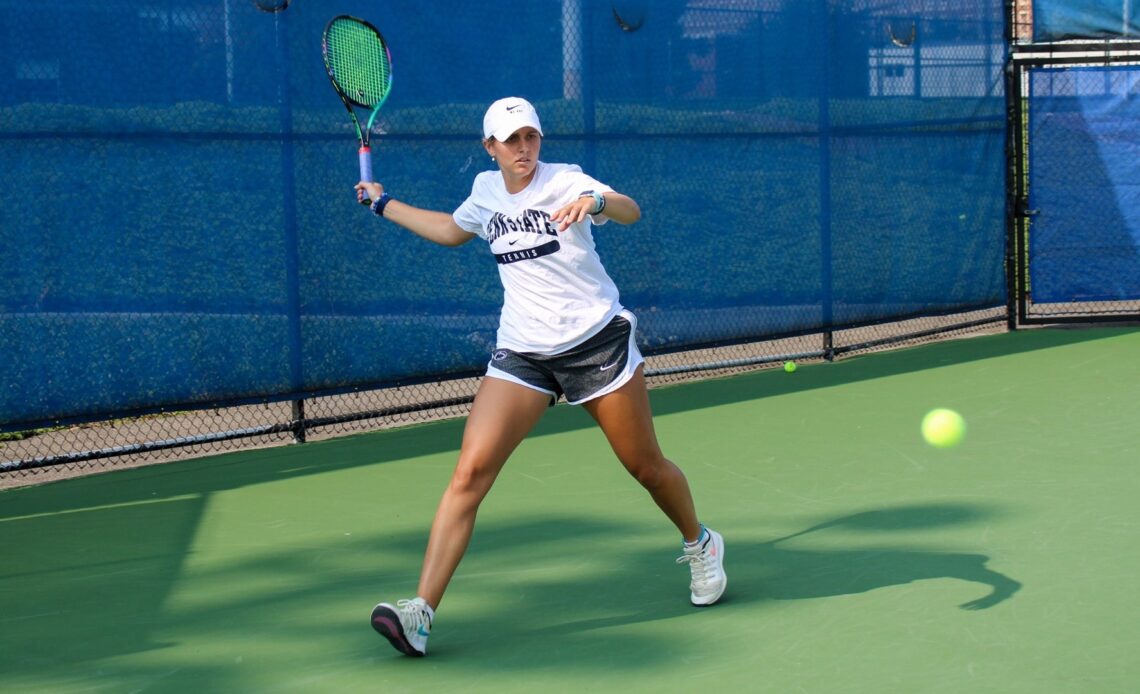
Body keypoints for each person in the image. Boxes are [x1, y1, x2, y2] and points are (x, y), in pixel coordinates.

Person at [356, 97, 726, 658]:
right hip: (524, 351)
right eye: (511, 140)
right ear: (491, 148)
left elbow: (629, 210)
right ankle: (420, 613)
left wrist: (597, 200)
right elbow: (453, 230)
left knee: (645, 466)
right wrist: (385, 205)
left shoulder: (566, 181)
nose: (523, 148)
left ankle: (700, 542)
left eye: (530, 137)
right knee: (470, 472)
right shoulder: (485, 193)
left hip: (594, 341)